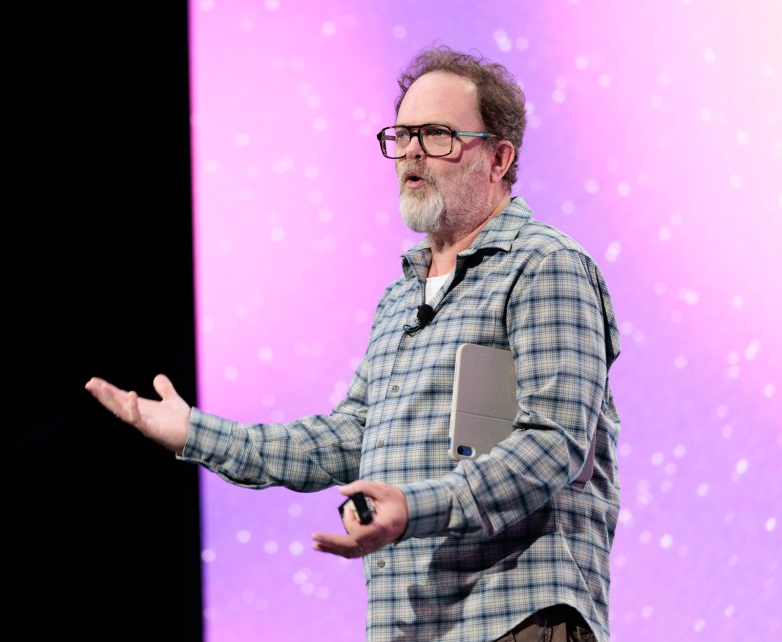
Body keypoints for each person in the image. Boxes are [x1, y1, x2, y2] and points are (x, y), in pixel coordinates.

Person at [86, 44, 621, 642]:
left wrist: (416, 509)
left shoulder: (546, 266)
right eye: (404, 135)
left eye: (439, 135)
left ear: (499, 158)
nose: (413, 151)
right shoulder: (401, 298)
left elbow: (553, 444)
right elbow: (347, 440)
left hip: (514, 619)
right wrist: (196, 433)